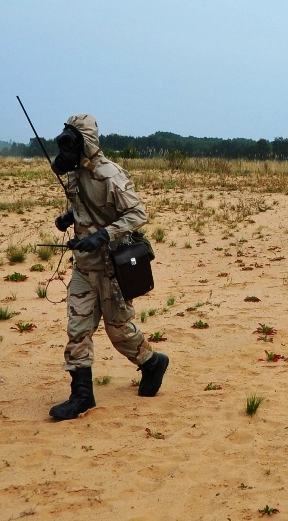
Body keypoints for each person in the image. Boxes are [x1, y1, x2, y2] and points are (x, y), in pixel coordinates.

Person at [48, 114, 169, 420]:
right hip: (84, 269)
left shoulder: (110, 174)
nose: (64, 151)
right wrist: (69, 218)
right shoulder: (75, 174)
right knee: (78, 330)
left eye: (69, 144)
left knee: (119, 332)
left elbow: (137, 214)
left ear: (85, 144)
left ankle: (152, 362)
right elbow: (85, 208)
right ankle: (82, 396)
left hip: (112, 268)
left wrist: (104, 235)